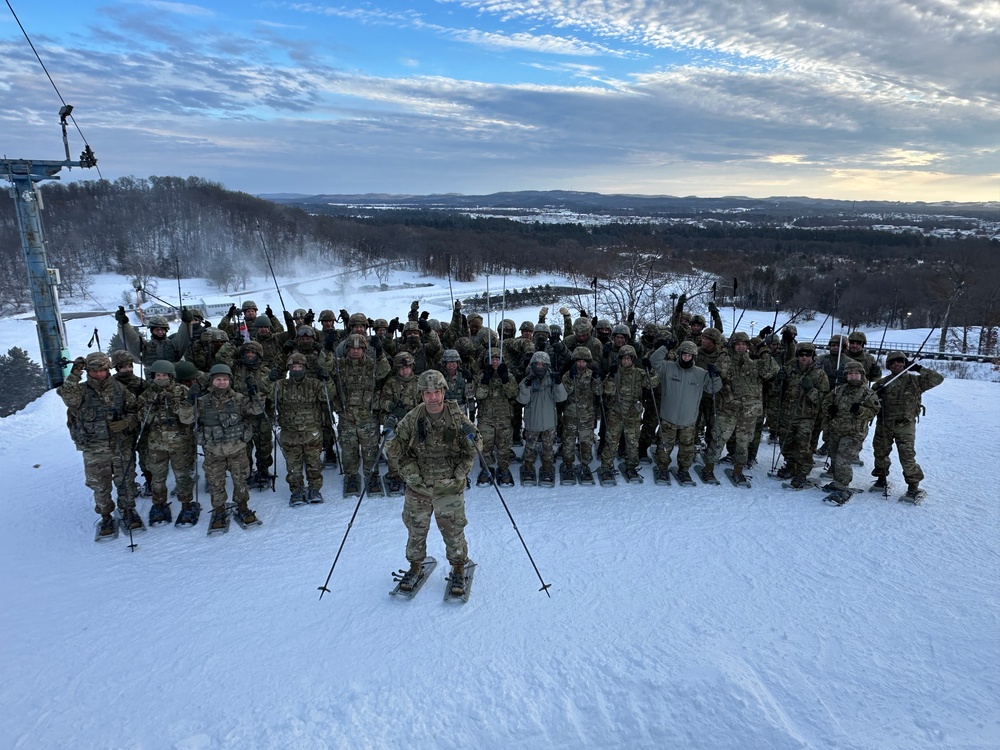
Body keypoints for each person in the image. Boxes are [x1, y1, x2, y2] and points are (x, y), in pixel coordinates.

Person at [385, 369, 481, 596]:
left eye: (436, 392)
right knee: (415, 529)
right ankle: (415, 566)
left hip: (448, 485)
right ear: (421, 394)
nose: (433, 397)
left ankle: (459, 568)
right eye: (427, 393)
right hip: (419, 485)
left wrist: (472, 437)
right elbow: (397, 452)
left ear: (443, 392)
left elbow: (475, 449)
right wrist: (389, 437)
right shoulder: (413, 417)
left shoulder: (456, 416)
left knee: (453, 530)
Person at [58, 352, 140, 536]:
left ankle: (128, 510)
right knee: (100, 485)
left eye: (102, 370)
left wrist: (127, 422)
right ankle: (106, 516)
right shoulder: (81, 390)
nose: (99, 374)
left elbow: (135, 411)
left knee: (126, 480)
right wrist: (74, 373)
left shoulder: (120, 389)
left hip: (120, 445)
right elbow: (68, 398)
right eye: (94, 371)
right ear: (89, 371)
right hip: (94, 447)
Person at [178, 363, 264, 529]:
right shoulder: (202, 401)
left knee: (241, 481)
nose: (222, 383)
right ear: (212, 381)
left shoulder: (239, 399)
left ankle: (243, 508)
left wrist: (256, 393)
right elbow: (186, 419)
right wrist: (189, 401)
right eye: (218, 379)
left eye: (225, 379)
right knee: (216, 483)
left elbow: (256, 410)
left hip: (237, 449)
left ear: (230, 381)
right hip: (213, 451)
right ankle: (219, 510)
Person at [704, 331, 777, 485]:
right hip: (728, 409)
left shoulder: (755, 364)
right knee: (718, 439)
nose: (741, 347)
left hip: (749, 412)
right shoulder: (727, 362)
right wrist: (724, 352)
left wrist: (763, 350)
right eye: (738, 344)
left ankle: (738, 470)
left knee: (744, 443)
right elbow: (719, 370)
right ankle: (708, 468)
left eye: (744, 344)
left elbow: (772, 370)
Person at [871, 352, 944, 499]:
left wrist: (918, 368)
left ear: (905, 364)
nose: (897, 364)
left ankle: (913, 486)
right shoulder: (882, 383)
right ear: (889, 366)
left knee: (907, 455)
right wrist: (877, 395)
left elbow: (938, 379)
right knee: (880, 452)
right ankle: (881, 478)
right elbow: (869, 401)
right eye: (893, 363)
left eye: (900, 362)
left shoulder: (916, 381)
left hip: (905, 424)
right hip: (885, 423)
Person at [649, 340, 722, 484]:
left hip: (688, 421)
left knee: (687, 449)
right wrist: (665, 347)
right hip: (668, 418)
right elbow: (654, 361)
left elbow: (713, 388)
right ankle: (662, 468)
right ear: (680, 354)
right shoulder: (668, 367)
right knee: (664, 446)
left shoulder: (701, 374)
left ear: (693, 357)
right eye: (684, 355)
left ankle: (684, 470)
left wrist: (716, 376)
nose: (687, 358)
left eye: (690, 355)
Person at [137, 360, 195, 524]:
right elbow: (142, 419)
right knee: (158, 477)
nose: (160, 378)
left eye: (163, 375)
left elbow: (189, 417)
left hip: (179, 442)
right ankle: (159, 504)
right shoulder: (147, 394)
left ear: (171, 376)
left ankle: (186, 504)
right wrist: (152, 407)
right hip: (156, 443)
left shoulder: (182, 391)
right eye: (157, 375)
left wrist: (175, 404)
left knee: (182, 475)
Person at [272, 353, 334, 505]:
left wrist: (328, 380)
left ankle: (314, 489)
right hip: (289, 434)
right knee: (293, 466)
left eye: (300, 367)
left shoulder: (314, 384)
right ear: (289, 368)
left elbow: (328, 396)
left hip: (311, 433)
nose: (297, 370)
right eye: (294, 367)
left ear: (305, 368)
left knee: (314, 464)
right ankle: (297, 490)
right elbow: (267, 394)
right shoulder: (281, 385)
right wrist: (268, 380)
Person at [819, 359, 881, 503]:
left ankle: (842, 487)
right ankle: (837, 482)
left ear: (861, 375)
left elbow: (873, 411)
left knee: (843, 459)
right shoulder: (838, 390)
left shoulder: (867, 392)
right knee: (834, 457)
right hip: (836, 430)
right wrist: (829, 408)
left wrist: (860, 410)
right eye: (850, 373)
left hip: (854, 433)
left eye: (856, 373)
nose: (853, 376)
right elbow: (826, 402)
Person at [774, 342, 831, 488]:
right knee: (785, 443)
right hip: (787, 413)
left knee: (803, 447)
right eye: (801, 354)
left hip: (806, 417)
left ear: (813, 355)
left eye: (807, 354)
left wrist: (810, 389)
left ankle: (802, 473)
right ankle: (790, 466)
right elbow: (777, 391)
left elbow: (823, 399)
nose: (804, 357)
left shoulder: (819, 374)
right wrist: (778, 380)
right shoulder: (790, 369)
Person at [599, 345, 658, 482]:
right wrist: (611, 377)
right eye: (624, 358)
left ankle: (631, 465)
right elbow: (607, 390)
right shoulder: (615, 372)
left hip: (633, 414)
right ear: (620, 359)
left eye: (629, 358)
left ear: (632, 359)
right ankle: (606, 467)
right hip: (616, 413)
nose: (626, 361)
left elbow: (652, 383)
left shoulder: (639, 373)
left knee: (632, 443)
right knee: (611, 442)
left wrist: (650, 370)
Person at [517, 351, 568, 485]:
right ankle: (528, 467)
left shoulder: (552, 379)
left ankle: (547, 467)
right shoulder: (527, 380)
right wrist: (526, 387)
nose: (539, 367)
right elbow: (522, 400)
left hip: (549, 422)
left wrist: (558, 384)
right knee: (530, 446)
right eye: (537, 364)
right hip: (532, 421)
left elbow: (562, 398)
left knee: (548, 447)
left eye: (542, 364)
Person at [473, 349, 519, 486]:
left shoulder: (508, 375)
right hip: (486, 417)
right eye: (491, 359)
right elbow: (479, 395)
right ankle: (486, 470)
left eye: (497, 358)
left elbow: (513, 394)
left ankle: (504, 469)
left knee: (504, 446)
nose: (494, 361)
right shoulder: (481, 375)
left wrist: (505, 379)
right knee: (485, 446)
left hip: (503, 417)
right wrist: (485, 380)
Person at [560, 346, 601, 483]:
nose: (581, 364)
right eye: (578, 361)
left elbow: (599, 392)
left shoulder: (591, 374)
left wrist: (597, 379)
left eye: (584, 361)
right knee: (568, 442)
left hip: (587, 415)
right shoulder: (568, 374)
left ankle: (585, 464)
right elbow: (565, 391)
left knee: (586, 442)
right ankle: (568, 464)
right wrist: (571, 378)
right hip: (571, 414)